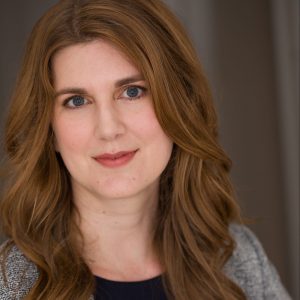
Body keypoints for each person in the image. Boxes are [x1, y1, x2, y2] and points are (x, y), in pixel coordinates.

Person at [0, 0, 291, 299]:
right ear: (49, 130)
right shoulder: (9, 285)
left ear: (179, 105)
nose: (109, 129)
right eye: (77, 101)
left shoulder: (239, 257)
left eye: (132, 92)